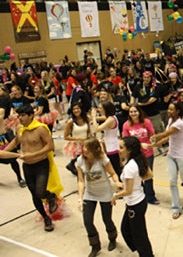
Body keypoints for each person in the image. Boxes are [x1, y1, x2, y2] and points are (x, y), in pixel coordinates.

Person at [0, 104, 61, 232]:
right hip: (27, 167)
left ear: (31, 116)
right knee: (34, 194)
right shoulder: (20, 129)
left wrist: (34, 154)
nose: (20, 118)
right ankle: (46, 218)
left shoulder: (40, 129)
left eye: (22, 116)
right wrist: (7, 151)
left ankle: (51, 196)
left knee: (40, 191)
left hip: (41, 164)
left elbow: (50, 146)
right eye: (18, 116)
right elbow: (16, 142)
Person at [76, 138, 121, 257]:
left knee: (106, 219)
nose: (84, 150)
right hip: (90, 193)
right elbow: (81, 181)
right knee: (87, 221)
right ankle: (95, 245)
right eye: (83, 147)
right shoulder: (80, 161)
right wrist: (80, 198)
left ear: (94, 149)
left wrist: (117, 182)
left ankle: (112, 238)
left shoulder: (102, 159)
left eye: (87, 148)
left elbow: (113, 173)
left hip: (105, 192)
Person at [151, 101, 183, 219]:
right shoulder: (171, 120)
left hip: (182, 155)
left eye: (172, 109)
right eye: (168, 109)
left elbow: (167, 133)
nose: (169, 111)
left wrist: (154, 136)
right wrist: (156, 145)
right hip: (172, 154)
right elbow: (168, 137)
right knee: (172, 181)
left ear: (178, 111)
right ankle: (176, 207)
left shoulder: (179, 123)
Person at [112, 136, 154, 256]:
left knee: (139, 235)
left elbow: (128, 191)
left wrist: (115, 195)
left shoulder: (131, 166)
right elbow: (149, 175)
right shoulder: (137, 159)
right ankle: (138, 252)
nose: (118, 150)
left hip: (135, 204)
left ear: (129, 150)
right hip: (136, 201)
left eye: (121, 147)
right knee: (126, 230)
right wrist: (134, 181)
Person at [122, 103, 159, 205]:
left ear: (139, 112)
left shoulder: (146, 122)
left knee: (148, 175)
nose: (133, 114)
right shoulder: (126, 125)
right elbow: (126, 140)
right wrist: (140, 144)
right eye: (131, 112)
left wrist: (152, 139)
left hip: (148, 153)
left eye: (135, 111)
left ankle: (150, 197)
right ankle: (141, 195)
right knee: (137, 176)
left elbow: (152, 133)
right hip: (135, 155)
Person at [91, 101, 121, 177]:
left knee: (115, 169)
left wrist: (94, 117)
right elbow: (103, 118)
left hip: (112, 147)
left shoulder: (110, 120)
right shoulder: (111, 117)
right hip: (110, 144)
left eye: (100, 108)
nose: (99, 109)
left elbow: (97, 129)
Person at [63, 102, 91, 176]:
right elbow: (65, 136)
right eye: (74, 109)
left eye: (77, 108)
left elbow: (89, 132)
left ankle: (72, 164)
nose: (76, 110)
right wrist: (77, 138)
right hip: (76, 145)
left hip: (86, 143)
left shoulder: (86, 119)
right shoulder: (70, 122)